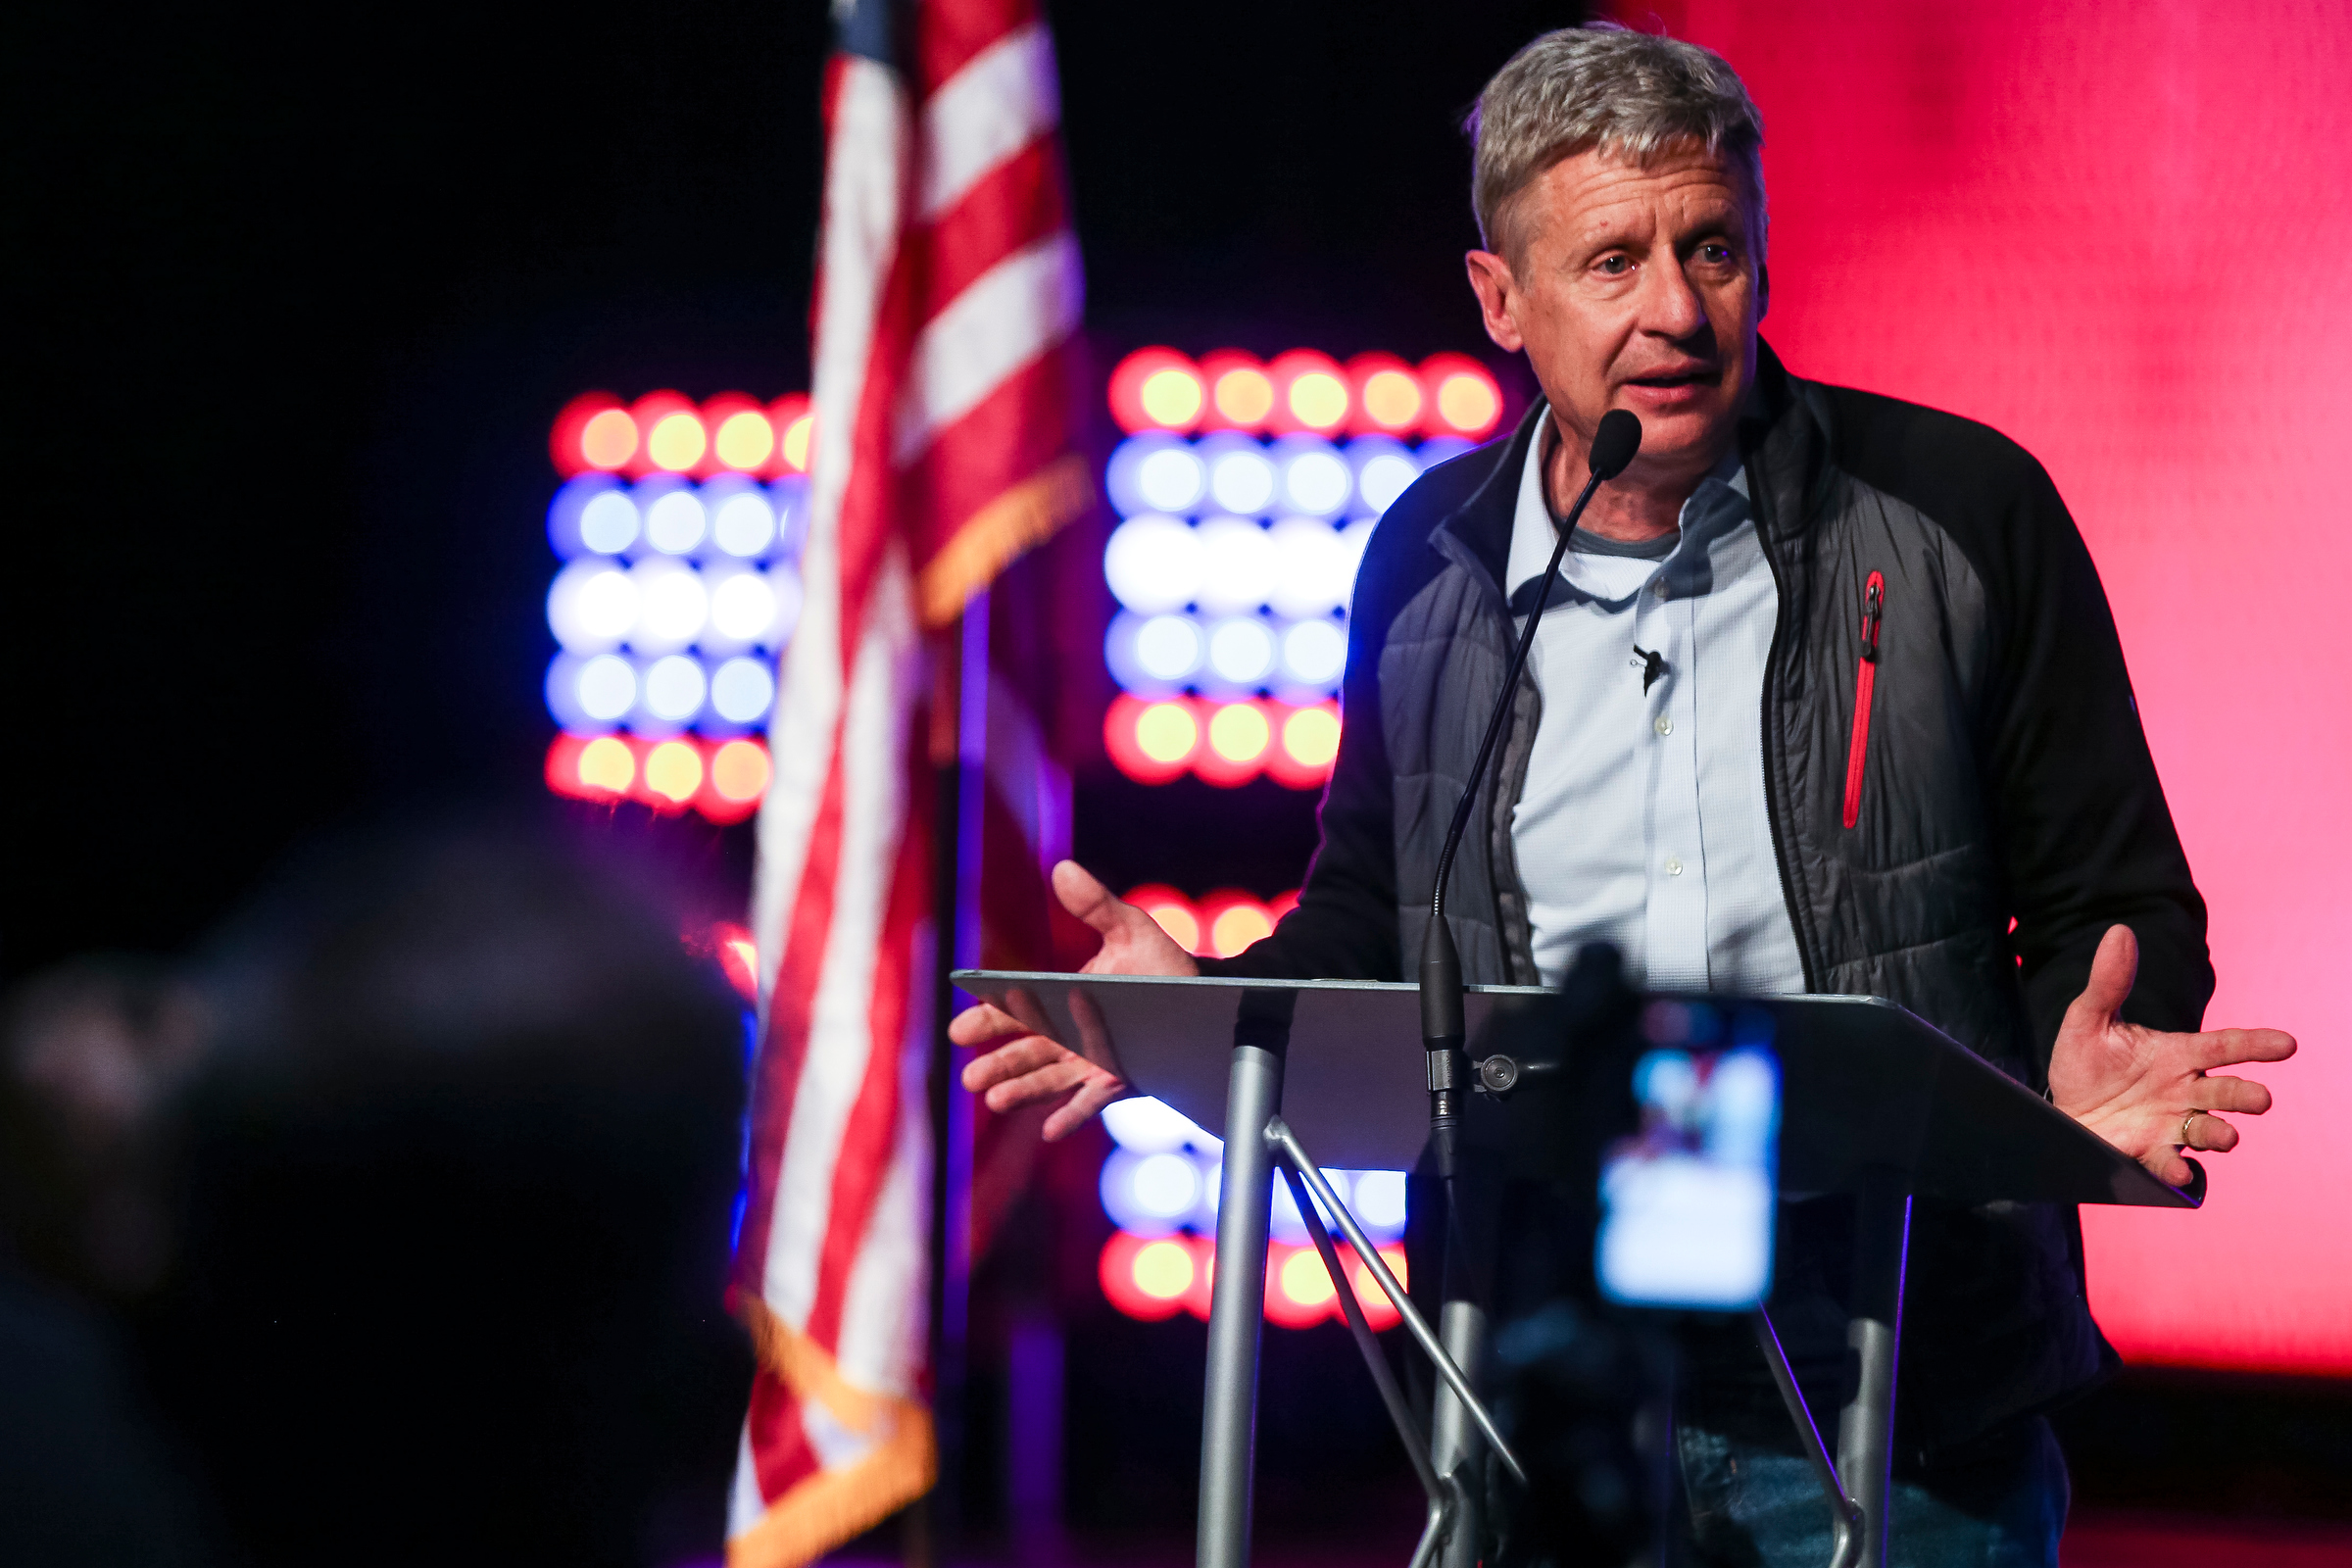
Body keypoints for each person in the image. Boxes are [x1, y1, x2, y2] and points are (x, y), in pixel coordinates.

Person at [952, 23, 2296, 1567]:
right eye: (1613, 262)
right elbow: (1381, 913)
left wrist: (2081, 1073)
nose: (1674, 309)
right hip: (1536, 1381)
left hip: (1899, 1379)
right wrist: (1201, 1010)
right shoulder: (1429, 560)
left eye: (1712, 247)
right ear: (1498, 298)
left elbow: (2113, 898)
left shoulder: (1959, 512)